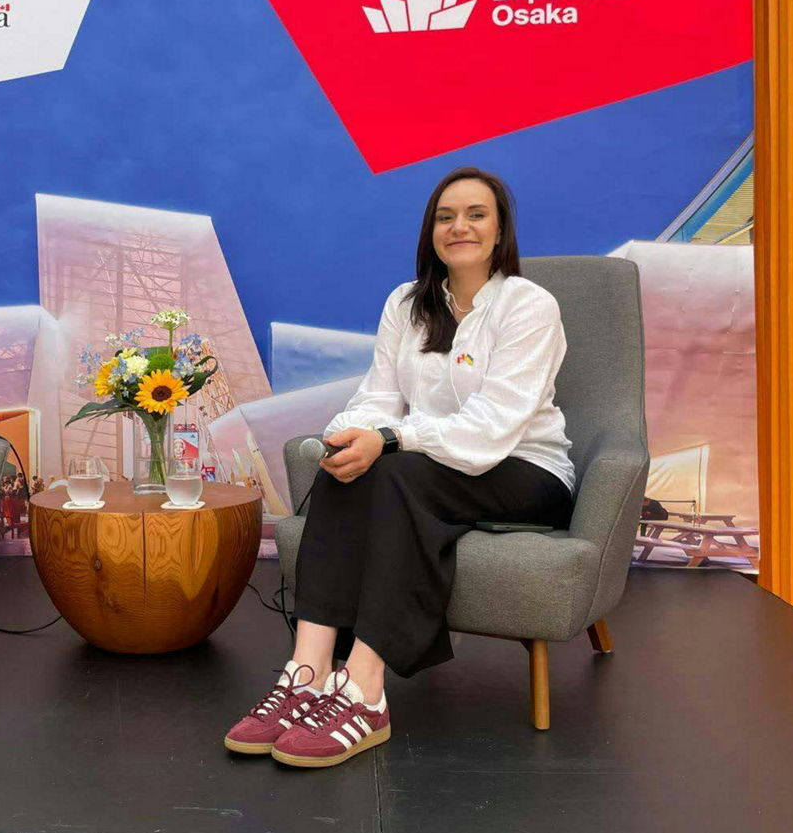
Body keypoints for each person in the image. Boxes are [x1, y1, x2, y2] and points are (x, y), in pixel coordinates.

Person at [225, 167, 575, 768]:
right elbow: (379, 395)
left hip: (526, 469)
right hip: (435, 465)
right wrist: (353, 433)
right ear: (430, 230)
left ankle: (365, 690)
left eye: (476, 214)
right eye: (446, 216)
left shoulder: (528, 305)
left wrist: (391, 438)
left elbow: (494, 426)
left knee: (392, 469)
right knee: (352, 464)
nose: (459, 226)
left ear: (500, 229)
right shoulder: (406, 303)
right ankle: (307, 672)